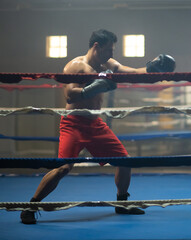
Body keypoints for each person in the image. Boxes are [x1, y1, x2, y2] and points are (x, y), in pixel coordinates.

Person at [20, 29, 175, 224]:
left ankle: (122, 203)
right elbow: (70, 95)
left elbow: (133, 73)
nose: (112, 54)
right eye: (109, 49)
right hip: (74, 123)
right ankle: (30, 207)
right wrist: (97, 86)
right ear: (96, 46)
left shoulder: (107, 64)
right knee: (63, 168)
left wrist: (153, 68)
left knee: (125, 161)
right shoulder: (76, 66)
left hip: (95, 123)